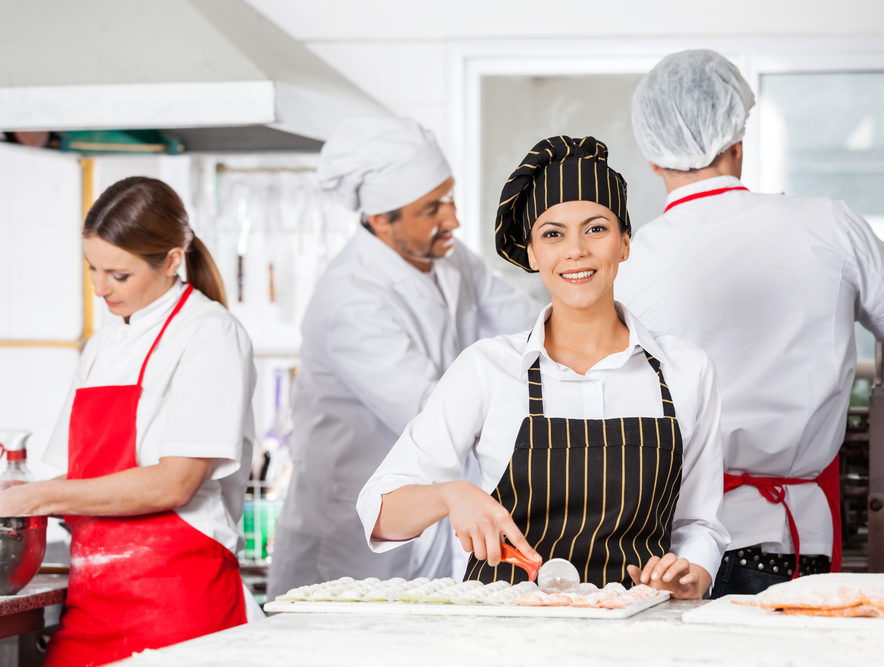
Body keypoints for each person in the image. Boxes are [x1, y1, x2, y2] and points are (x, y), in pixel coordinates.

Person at [617, 50, 884, 596]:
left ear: (653, 158)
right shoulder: (829, 224)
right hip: (784, 545)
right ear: (736, 144)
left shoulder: (625, 260)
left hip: (665, 553)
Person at [358, 136, 728, 597]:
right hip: (506, 633)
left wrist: (693, 573)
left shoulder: (685, 370)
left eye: (596, 229)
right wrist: (451, 494)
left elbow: (699, 524)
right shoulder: (487, 369)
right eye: (553, 233)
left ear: (625, 242)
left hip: (639, 629)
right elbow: (378, 509)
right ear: (532, 253)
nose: (575, 250)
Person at [267, 117, 540, 599]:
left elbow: (530, 324)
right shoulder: (349, 300)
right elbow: (432, 410)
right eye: (432, 208)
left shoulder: (450, 258)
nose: (453, 218)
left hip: (430, 531)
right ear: (380, 220)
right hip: (347, 544)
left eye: (450, 196)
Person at [0, 177, 261, 666]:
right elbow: (78, 478)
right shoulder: (102, 346)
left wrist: (33, 496)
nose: (100, 289)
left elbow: (175, 483)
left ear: (170, 260)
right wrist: (14, 492)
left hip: (180, 607)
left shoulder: (210, 335)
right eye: (92, 269)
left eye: (119, 275)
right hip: (93, 603)